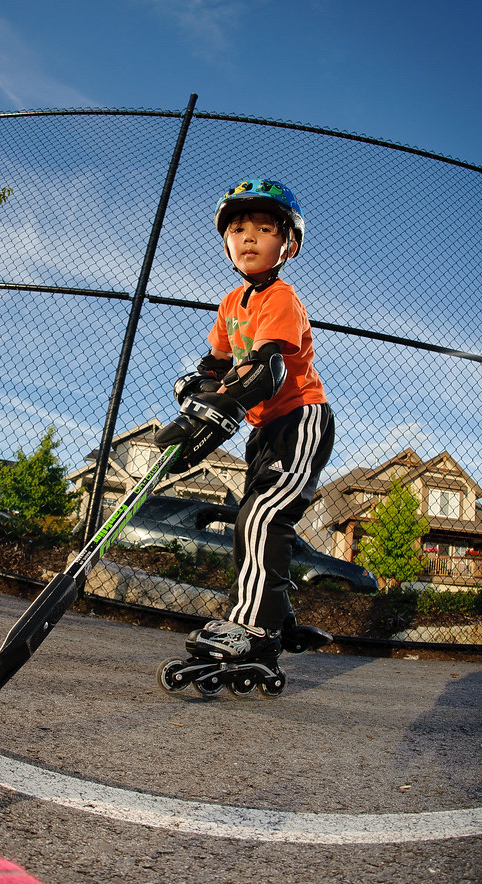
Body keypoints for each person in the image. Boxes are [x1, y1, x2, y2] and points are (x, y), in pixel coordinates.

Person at [155, 178, 335, 684]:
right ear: (226, 241)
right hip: (264, 430)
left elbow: (266, 372)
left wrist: (222, 409)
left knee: (261, 516)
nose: (249, 236)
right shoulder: (232, 303)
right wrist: (199, 394)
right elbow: (213, 368)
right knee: (250, 525)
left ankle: (252, 627)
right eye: (238, 228)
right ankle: (279, 620)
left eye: (264, 227)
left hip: (299, 420)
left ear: (288, 245)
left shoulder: (281, 297)